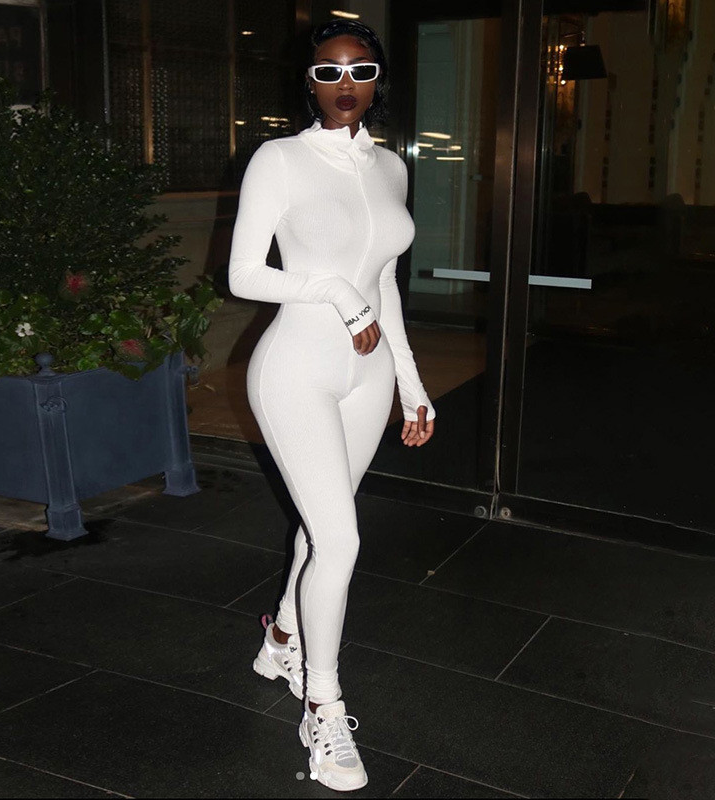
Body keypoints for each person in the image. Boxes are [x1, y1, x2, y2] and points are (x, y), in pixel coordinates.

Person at [228, 18, 435, 792]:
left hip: (368, 375)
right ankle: (322, 706)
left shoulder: (391, 169)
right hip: (297, 369)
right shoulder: (279, 159)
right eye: (328, 71)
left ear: (379, 81)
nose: (344, 85)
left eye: (360, 71)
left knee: (324, 528)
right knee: (340, 541)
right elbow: (245, 274)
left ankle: (281, 639)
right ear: (308, 81)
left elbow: (384, 282)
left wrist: (410, 382)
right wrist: (335, 292)